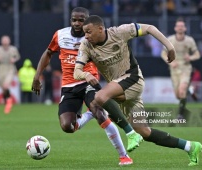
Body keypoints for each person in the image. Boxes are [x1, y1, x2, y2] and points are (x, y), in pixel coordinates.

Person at [74, 15, 202, 166]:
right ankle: (190, 146)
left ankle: (130, 133)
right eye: (85, 32)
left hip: (133, 79)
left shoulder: (120, 32)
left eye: (89, 32)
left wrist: (169, 46)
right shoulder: (86, 46)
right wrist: (86, 74)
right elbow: (77, 71)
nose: (86, 36)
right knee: (145, 132)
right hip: (119, 87)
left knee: (99, 97)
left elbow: (149, 28)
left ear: (100, 29)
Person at [31, 7, 142, 166]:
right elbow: (48, 53)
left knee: (100, 114)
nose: (77, 23)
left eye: (81, 20)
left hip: (88, 82)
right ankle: (89, 113)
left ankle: (124, 156)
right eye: (74, 20)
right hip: (69, 86)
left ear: (88, 21)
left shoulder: (92, 37)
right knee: (67, 126)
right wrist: (37, 76)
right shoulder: (60, 35)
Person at [161, 17, 201, 117]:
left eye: (182, 26)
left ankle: (180, 114)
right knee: (178, 95)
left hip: (185, 69)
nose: (180, 28)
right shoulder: (170, 40)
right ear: (175, 28)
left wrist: (190, 57)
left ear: (185, 28)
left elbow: (197, 54)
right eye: (178, 26)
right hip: (174, 69)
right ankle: (189, 90)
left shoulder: (189, 40)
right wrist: (170, 62)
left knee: (182, 90)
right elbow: (163, 53)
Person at [0, 35, 20, 114]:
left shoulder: (13, 49)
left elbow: (17, 57)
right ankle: (6, 102)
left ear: (9, 41)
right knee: (3, 88)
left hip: (10, 68)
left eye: (6, 40)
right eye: (3, 40)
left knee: (6, 85)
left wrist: (14, 59)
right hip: (1, 68)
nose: (5, 42)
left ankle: (9, 103)